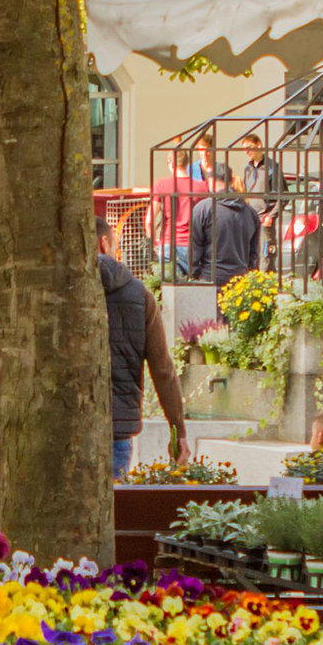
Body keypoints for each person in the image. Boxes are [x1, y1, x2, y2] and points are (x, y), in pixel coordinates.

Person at [99, 217, 186, 475]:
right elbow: (163, 370)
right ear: (105, 243)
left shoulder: (61, 290)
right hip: (118, 426)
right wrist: (178, 430)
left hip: (67, 427)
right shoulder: (139, 295)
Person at [188, 163, 263, 289]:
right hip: (240, 281)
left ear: (210, 180)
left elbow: (195, 248)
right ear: (231, 180)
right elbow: (254, 254)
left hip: (210, 278)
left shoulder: (204, 209)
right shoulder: (251, 213)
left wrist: (194, 276)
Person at [150, 142, 216, 272]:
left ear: (170, 164)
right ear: (186, 164)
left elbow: (149, 220)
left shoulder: (161, 185)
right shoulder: (202, 187)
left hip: (169, 242)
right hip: (193, 244)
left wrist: (153, 243)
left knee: (168, 287)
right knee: (192, 287)